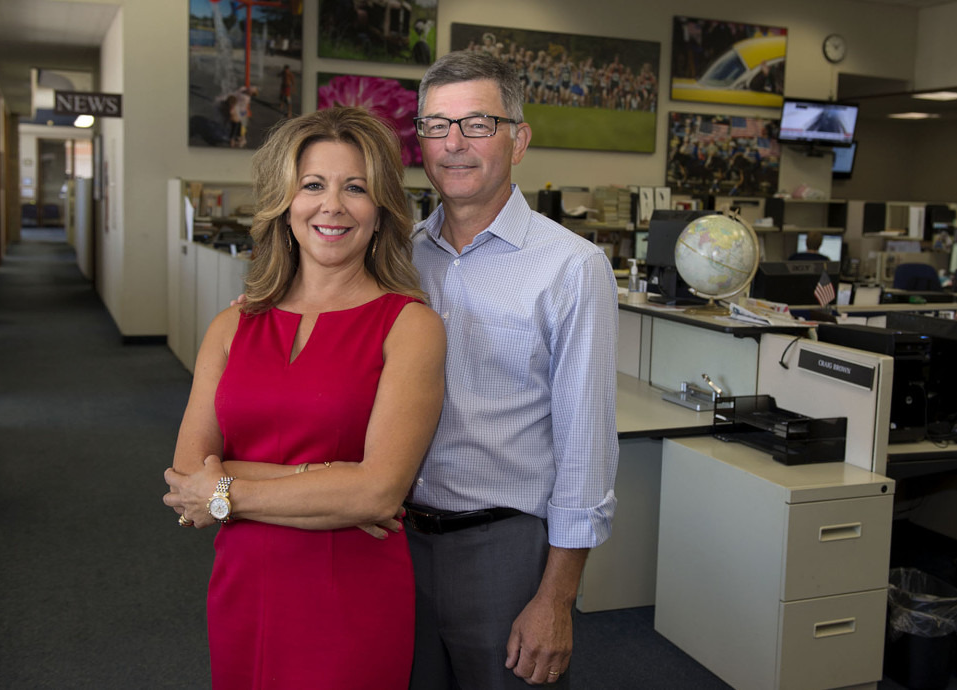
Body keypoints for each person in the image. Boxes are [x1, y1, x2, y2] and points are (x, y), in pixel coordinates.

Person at [162, 106, 446, 689]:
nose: (332, 205)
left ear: (381, 208)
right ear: (284, 202)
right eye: (312, 185)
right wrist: (328, 478)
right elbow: (187, 477)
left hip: (350, 593)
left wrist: (224, 492)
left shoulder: (410, 325)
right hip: (243, 584)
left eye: (356, 188)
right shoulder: (231, 326)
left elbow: (378, 491)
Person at [406, 50, 619, 688]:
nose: (453, 145)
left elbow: (586, 447)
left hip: (504, 550)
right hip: (395, 541)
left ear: (518, 139)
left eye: (478, 124)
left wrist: (556, 599)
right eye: (436, 125)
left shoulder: (572, 269)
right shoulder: (398, 255)